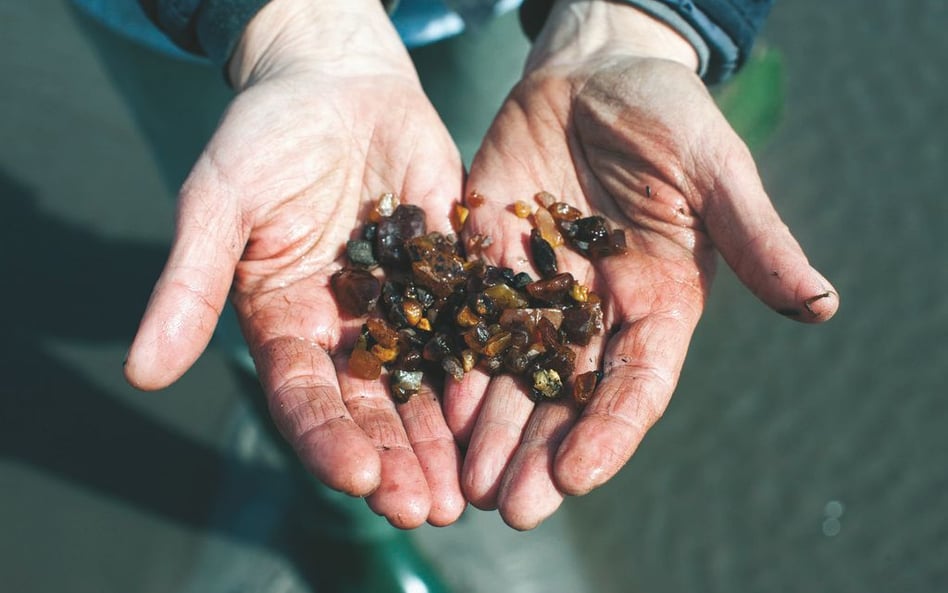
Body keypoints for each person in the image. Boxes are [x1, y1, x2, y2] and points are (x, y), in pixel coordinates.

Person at [76, 0, 838, 588]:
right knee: (274, 292)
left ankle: (683, 56)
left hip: (504, 13)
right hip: (221, 28)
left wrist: (642, 25)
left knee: (522, 125)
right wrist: (284, 28)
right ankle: (349, 523)